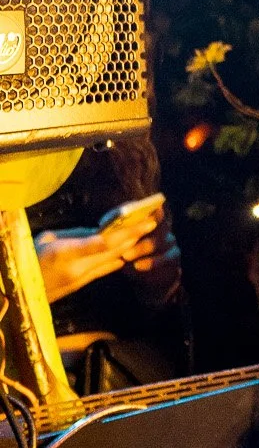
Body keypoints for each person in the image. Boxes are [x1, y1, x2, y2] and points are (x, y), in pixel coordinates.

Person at [32, 159, 185, 393]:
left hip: (131, 387)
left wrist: (159, 283)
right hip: (23, 404)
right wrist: (17, 285)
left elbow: (166, 331)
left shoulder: (117, 145)